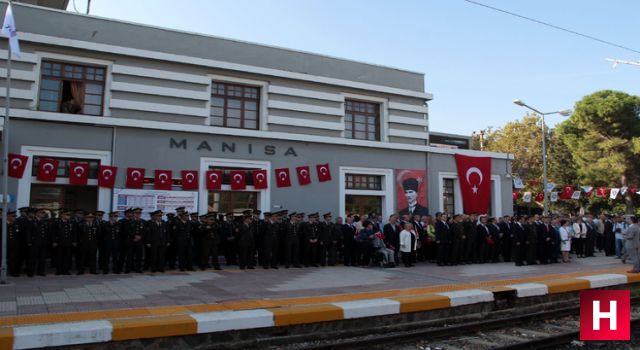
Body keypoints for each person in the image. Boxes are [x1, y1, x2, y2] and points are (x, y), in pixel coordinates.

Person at [52, 209, 74, 275]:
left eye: (69, 215)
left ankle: (65, 270)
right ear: (62, 215)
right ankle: (58, 270)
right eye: (67, 215)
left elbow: (73, 233)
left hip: (68, 243)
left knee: (67, 257)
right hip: (59, 243)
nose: (69, 216)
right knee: (59, 257)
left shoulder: (70, 222)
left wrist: (73, 241)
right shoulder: (57, 222)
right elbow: (53, 233)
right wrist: (54, 241)